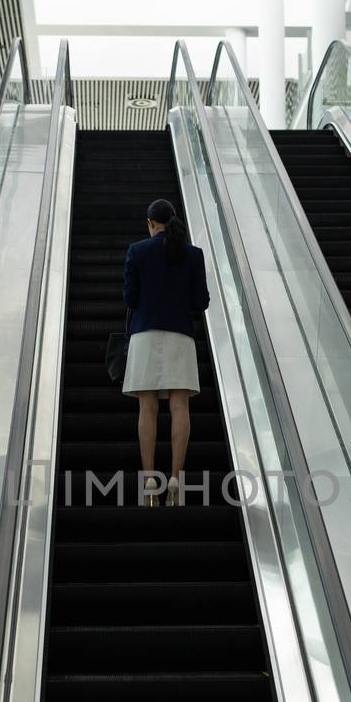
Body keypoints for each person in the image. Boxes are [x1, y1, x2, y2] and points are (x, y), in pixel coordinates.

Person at [122, 198, 210, 506]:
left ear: (150, 223)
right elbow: (201, 301)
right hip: (180, 335)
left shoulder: (137, 251)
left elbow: (130, 298)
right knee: (180, 407)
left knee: (147, 409)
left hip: (144, 334)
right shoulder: (193, 255)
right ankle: (175, 477)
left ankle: (148, 481)